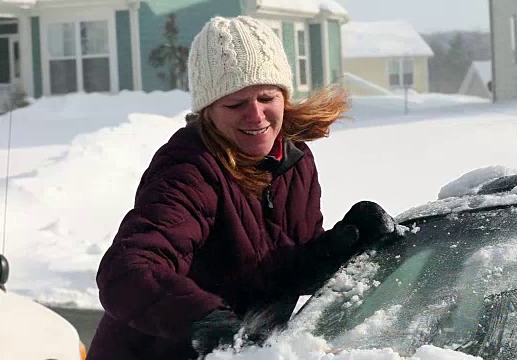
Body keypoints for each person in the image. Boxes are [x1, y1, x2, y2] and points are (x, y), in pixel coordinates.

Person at [86, 15, 396, 360]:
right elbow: (127, 272)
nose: (256, 115)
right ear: (208, 111)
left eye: (267, 97)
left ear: (284, 97)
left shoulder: (294, 161)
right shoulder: (189, 168)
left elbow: (281, 271)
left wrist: (339, 246)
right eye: (235, 103)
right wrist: (203, 319)